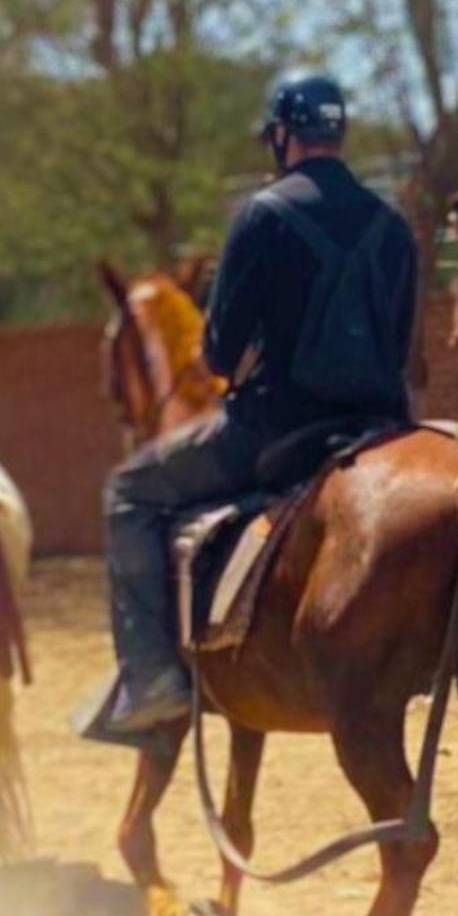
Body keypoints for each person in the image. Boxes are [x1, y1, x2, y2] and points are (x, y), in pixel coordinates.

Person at [101, 71, 418, 733]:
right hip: (381, 427)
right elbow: (402, 344)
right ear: (338, 132)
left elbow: (219, 355)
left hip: (278, 429)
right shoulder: (393, 223)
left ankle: (152, 677)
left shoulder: (261, 215)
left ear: (282, 134)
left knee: (129, 492)